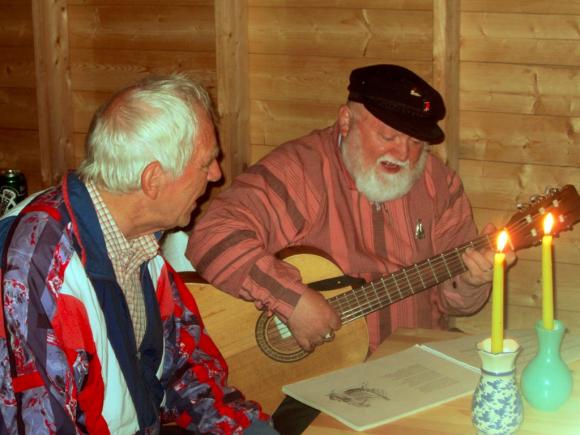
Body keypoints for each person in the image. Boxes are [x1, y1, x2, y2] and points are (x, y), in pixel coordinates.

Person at [0, 75, 277, 434]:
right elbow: (41, 423)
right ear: (153, 180)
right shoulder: (37, 268)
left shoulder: (142, 244)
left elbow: (185, 368)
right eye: (205, 162)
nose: (216, 174)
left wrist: (251, 430)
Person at [187, 64, 516, 354]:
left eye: (416, 142)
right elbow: (214, 234)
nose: (403, 153)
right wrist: (292, 300)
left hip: (415, 363)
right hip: (323, 377)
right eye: (388, 135)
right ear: (345, 121)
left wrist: (472, 283)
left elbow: (453, 303)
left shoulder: (440, 185)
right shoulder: (303, 170)